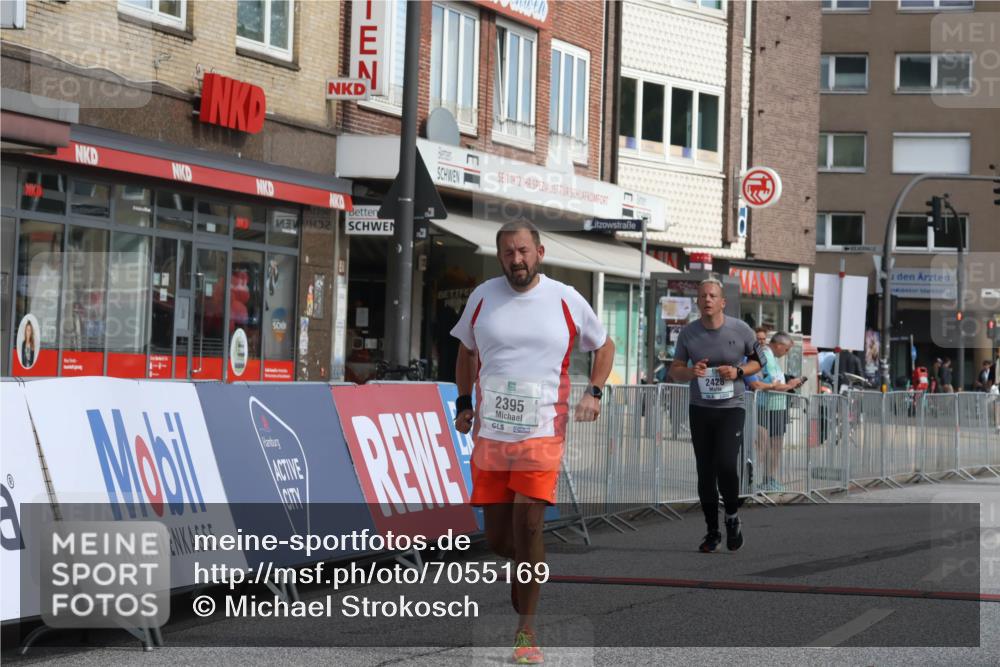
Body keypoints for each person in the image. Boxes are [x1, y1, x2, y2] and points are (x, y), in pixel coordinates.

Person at [451, 219, 615, 664]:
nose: (516, 260)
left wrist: (594, 392)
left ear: (539, 252)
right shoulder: (483, 297)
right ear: (500, 256)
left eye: (523, 251)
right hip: (491, 436)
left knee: (529, 524)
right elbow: (466, 353)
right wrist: (464, 402)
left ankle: (526, 631)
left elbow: (604, 346)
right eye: (508, 253)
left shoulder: (564, 298)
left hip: (542, 431)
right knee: (503, 540)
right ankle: (524, 576)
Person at [669, 278, 763, 553]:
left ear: (722, 302)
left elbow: (760, 361)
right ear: (697, 302)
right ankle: (712, 531)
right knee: (705, 472)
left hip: (731, 408)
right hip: (701, 409)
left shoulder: (740, 329)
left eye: (712, 296)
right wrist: (691, 372)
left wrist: (739, 372)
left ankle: (732, 517)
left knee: (725, 464)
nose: (707, 299)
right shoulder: (689, 334)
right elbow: (675, 369)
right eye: (702, 296)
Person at [747, 332, 804, 492]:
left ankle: (769, 479)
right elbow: (772, 384)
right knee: (765, 446)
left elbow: (777, 381)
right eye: (786, 350)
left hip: (777, 406)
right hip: (766, 406)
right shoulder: (766, 355)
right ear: (778, 345)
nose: (786, 353)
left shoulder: (773, 358)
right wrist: (790, 384)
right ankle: (762, 480)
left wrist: (789, 383)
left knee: (776, 446)